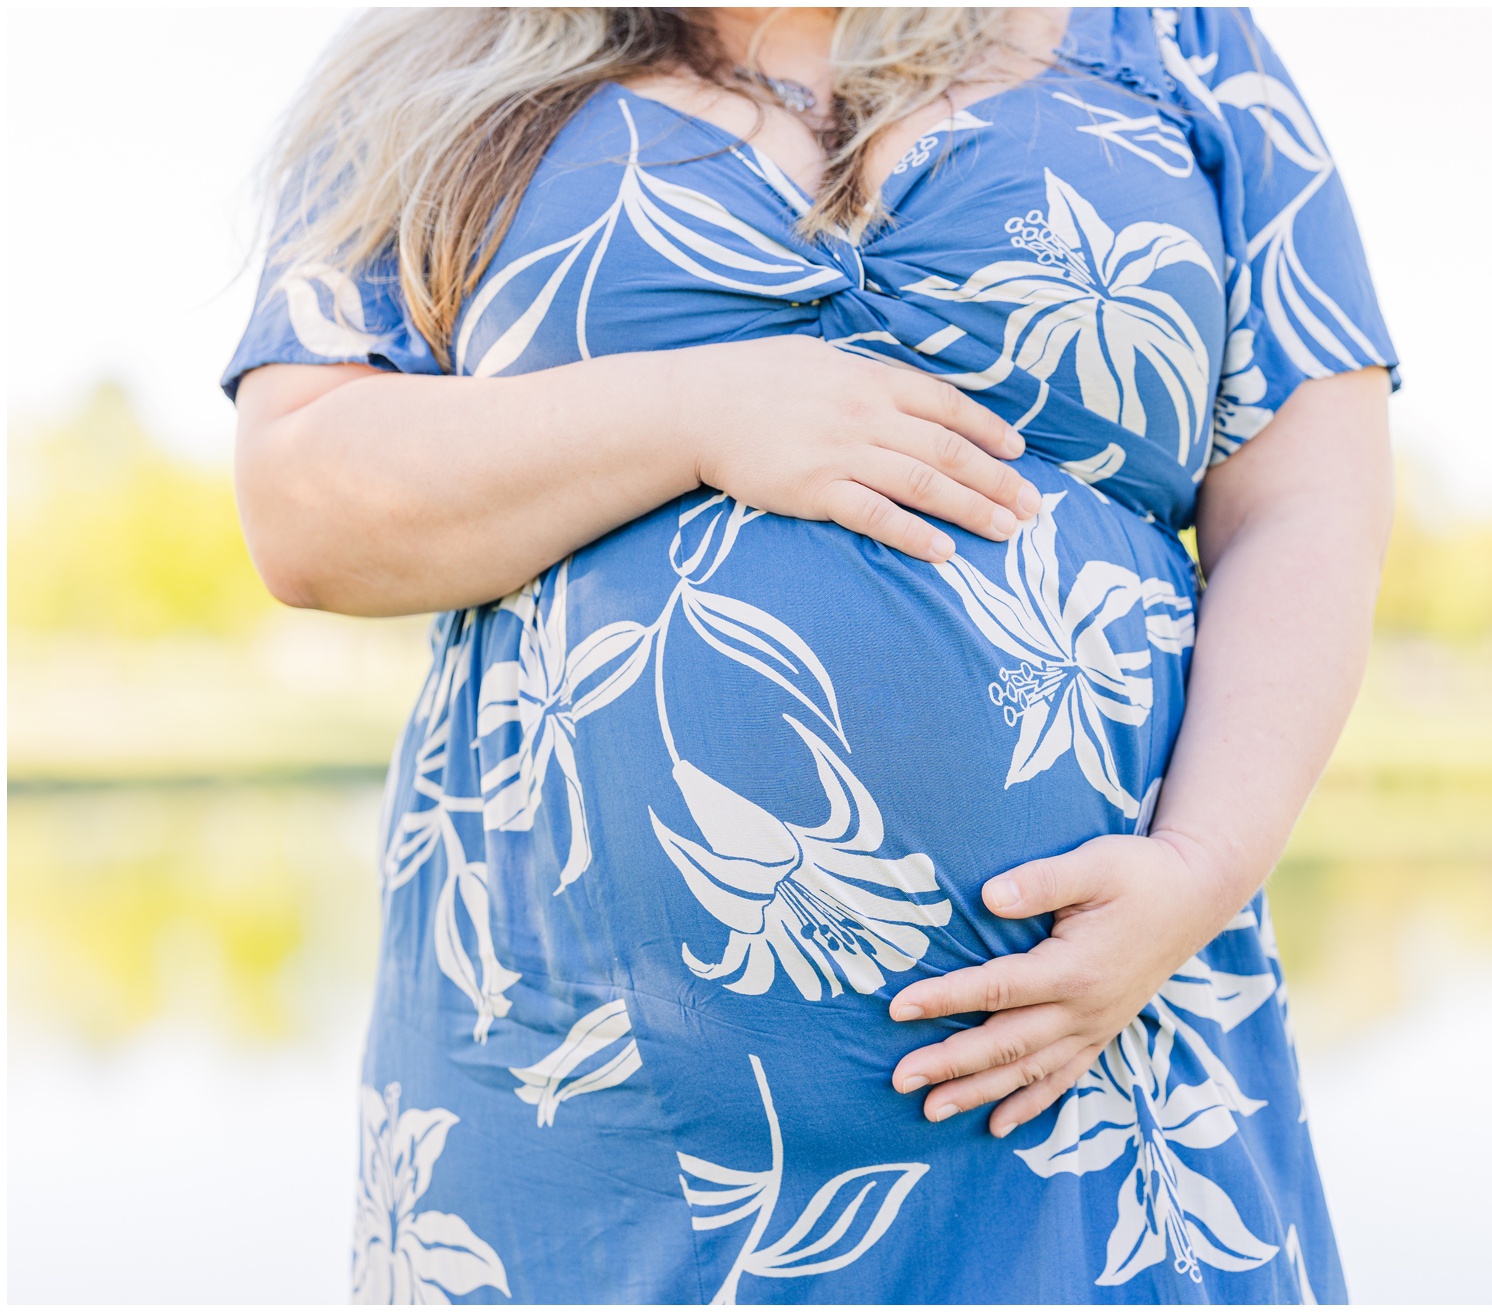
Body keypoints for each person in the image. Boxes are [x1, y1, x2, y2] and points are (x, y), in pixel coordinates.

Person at [225, 7, 1395, 1303]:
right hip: (580, 1109)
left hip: (1101, 1079)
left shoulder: (1170, 36)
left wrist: (1199, 864)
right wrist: (698, 411)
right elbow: (304, 506)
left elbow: (1304, 502)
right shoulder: (443, 59)